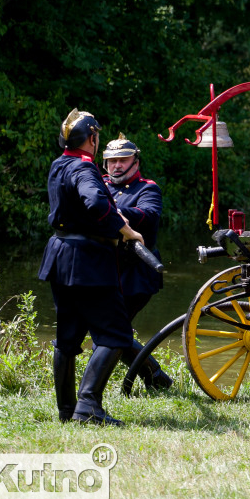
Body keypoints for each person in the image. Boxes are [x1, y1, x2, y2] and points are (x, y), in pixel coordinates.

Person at [38, 109, 144, 426]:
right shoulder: (85, 168)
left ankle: (66, 411)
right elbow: (96, 203)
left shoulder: (59, 164)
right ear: (93, 139)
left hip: (59, 255)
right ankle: (88, 407)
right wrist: (124, 229)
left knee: (68, 337)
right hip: (88, 261)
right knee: (116, 334)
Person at [102, 134, 172, 390]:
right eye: (112, 161)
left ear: (135, 161)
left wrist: (115, 214)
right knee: (110, 328)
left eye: (123, 159)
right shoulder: (100, 185)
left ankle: (153, 376)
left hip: (136, 274)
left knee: (112, 329)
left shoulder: (148, 188)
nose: (117, 165)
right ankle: (155, 377)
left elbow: (149, 216)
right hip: (105, 270)